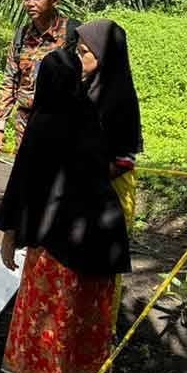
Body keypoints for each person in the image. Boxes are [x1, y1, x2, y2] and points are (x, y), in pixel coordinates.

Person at [0, 47, 131, 373]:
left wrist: (9, 236)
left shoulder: (44, 123)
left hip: (57, 240)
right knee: (81, 307)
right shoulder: (90, 116)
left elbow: (22, 185)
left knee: (50, 310)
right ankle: (79, 372)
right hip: (97, 237)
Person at [75, 19, 143, 331]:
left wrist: (85, 174)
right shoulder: (82, 88)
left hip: (111, 192)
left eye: (84, 53)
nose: (78, 59)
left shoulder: (120, 100)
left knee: (104, 266)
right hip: (82, 188)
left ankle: (103, 333)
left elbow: (124, 158)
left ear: (102, 54)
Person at [0, 0, 81, 153]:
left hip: (62, 125)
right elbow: (10, 81)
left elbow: (89, 80)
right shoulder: (21, 36)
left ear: (55, 0)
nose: (31, 3)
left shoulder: (73, 34)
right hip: (26, 126)